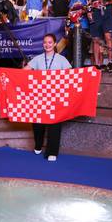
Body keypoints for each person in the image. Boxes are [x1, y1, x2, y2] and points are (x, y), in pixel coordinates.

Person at [23, 33, 72, 161]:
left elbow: (71, 76)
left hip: (56, 98)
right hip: (39, 97)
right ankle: (38, 145)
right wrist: (8, 74)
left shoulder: (62, 59)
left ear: (55, 44)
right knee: (37, 124)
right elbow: (24, 72)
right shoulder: (37, 59)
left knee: (55, 125)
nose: (47, 45)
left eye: (50, 42)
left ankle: (52, 152)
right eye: (45, 42)